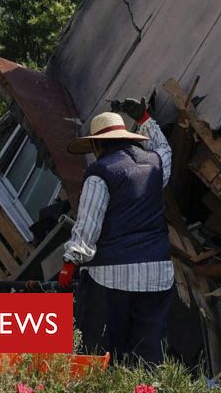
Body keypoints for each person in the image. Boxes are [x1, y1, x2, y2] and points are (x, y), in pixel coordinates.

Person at [58, 97, 174, 365]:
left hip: (110, 277)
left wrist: (70, 263)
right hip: (159, 273)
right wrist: (145, 119)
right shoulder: (155, 166)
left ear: (97, 145)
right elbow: (165, 149)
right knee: (148, 354)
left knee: (100, 351)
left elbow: (88, 226)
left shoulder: (101, 172)